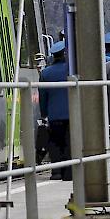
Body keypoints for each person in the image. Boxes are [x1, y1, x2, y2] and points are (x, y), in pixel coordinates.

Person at [39, 40, 70, 180]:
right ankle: (69, 171)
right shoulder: (71, 70)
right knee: (70, 141)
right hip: (72, 113)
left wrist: (44, 113)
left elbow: (43, 96)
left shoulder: (46, 73)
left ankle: (56, 171)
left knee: (55, 143)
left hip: (54, 115)